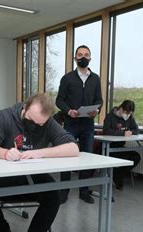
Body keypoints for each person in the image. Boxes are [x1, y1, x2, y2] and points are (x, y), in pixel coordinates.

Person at [0, 94, 79, 232]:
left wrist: (40, 152)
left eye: (40, 123)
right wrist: (5, 153)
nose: (35, 125)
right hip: (6, 174)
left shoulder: (48, 122)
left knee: (54, 197)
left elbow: (73, 148)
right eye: (32, 120)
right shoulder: (5, 116)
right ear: (24, 107)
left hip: (34, 176)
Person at [55, 44, 103, 204]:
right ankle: (64, 191)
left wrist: (97, 110)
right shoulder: (67, 78)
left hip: (88, 124)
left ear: (90, 58)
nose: (83, 57)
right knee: (66, 157)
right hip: (71, 123)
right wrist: (69, 111)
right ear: (75, 58)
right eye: (80, 55)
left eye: (86, 55)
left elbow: (99, 100)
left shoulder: (95, 78)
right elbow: (59, 100)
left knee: (87, 157)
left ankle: (84, 191)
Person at [103, 100, 141, 190]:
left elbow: (136, 130)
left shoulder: (129, 118)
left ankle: (117, 175)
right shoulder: (110, 117)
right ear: (121, 109)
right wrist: (122, 133)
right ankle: (116, 176)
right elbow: (106, 131)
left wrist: (131, 132)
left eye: (129, 113)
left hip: (120, 147)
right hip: (109, 147)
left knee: (136, 157)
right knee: (124, 157)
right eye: (126, 113)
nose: (127, 115)